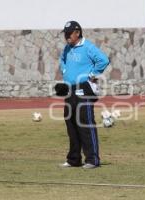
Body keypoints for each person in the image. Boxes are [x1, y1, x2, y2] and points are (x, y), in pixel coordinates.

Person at [58, 21, 109, 169]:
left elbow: (103, 60)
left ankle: (92, 160)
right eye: (65, 34)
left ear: (77, 33)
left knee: (85, 124)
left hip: (84, 90)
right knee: (71, 124)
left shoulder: (88, 47)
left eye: (69, 33)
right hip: (70, 89)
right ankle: (74, 159)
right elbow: (62, 60)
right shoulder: (67, 48)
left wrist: (92, 74)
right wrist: (65, 71)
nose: (67, 36)